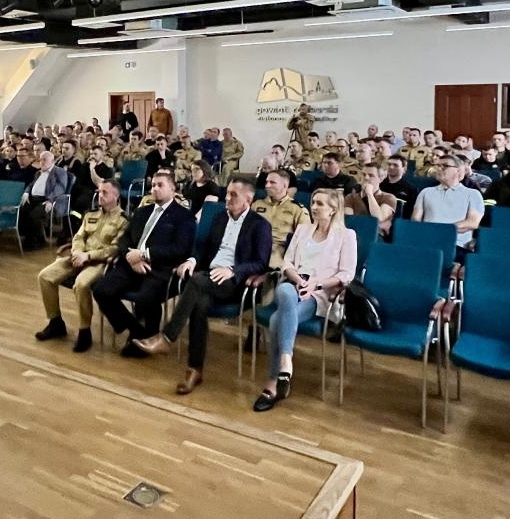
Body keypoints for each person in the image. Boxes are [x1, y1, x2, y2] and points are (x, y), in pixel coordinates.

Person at [136, 177, 272, 394]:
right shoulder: (219, 218)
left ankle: (167, 337)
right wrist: (192, 260)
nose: (227, 198)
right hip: (208, 278)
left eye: (233, 195)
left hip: (234, 283)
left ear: (249, 197)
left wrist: (233, 271)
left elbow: (261, 262)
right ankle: (194, 369)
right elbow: (204, 249)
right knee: (199, 304)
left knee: (197, 281)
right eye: (227, 193)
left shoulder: (260, 225)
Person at [254, 188, 357, 413]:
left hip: (320, 294)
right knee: (285, 292)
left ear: (333, 209)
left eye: (320, 203)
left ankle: (274, 381)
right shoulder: (302, 230)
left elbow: (346, 274)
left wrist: (315, 284)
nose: (314, 207)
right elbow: (287, 263)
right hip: (294, 284)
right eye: (313, 202)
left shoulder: (346, 235)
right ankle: (286, 363)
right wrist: (299, 280)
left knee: (274, 321)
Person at [92, 171, 196, 353]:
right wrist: (131, 259)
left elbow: (180, 249)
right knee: (101, 289)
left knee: (146, 297)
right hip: (131, 265)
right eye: (153, 185)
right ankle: (137, 330)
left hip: (158, 268)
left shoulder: (183, 216)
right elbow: (124, 240)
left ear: (173, 188)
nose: (154, 188)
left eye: (160, 185)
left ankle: (147, 334)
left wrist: (144, 254)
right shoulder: (142, 211)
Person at [35, 180, 129, 352]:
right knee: (45, 276)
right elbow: (78, 237)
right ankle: (56, 322)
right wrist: (78, 252)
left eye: (105, 193)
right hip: (78, 257)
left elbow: (114, 249)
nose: (100, 195)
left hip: (99, 262)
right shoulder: (90, 214)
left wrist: (87, 256)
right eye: (99, 191)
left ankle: (85, 331)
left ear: (116, 196)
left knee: (81, 284)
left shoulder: (123, 221)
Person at [411, 155, 484, 257]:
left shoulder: (472, 194)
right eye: (438, 165)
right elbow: (415, 220)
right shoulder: (425, 192)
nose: (439, 168)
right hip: (427, 242)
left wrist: (441, 230)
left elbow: (472, 222)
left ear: (458, 171)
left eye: (445, 166)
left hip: (456, 245)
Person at [250, 168, 308, 269]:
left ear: (285, 186)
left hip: (279, 253)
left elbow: (305, 238)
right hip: (254, 249)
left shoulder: (297, 209)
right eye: (267, 182)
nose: (267, 185)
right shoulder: (256, 205)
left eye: (272, 182)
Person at [18, 149, 71, 249]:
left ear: (52, 161)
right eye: (41, 159)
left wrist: (50, 200)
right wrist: (26, 192)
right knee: (22, 210)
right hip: (34, 199)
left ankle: (37, 241)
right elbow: (31, 184)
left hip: (50, 200)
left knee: (35, 214)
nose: (42, 162)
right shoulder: (38, 173)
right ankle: (30, 237)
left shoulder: (59, 172)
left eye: (45, 160)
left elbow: (60, 188)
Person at [345, 162, 398, 235]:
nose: (366, 178)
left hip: (375, 237)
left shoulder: (389, 198)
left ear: (381, 178)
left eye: (371, 175)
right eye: (363, 174)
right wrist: (378, 226)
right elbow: (349, 223)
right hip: (354, 235)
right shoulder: (350, 197)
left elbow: (379, 218)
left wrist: (369, 194)